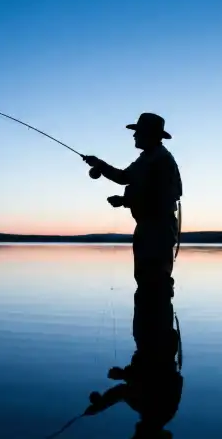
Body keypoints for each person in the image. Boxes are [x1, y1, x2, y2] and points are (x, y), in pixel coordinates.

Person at [83, 112, 182, 358]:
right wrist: (100, 164)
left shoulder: (161, 160)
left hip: (158, 229)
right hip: (148, 227)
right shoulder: (146, 159)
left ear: (151, 135)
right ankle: (148, 349)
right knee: (146, 282)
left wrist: (124, 200)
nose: (135, 135)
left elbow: (159, 197)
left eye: (138, 131)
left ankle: (155, 352)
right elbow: (124, 177)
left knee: (154, 283)